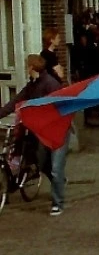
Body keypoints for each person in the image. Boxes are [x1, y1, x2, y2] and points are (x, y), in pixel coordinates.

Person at [0, 54, 68, 216]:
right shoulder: (32, 85)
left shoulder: (51, 84)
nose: (26, 68)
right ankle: (58, 182)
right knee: (42, 162)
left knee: (56, 168)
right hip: (43, 132)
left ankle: (58, 203)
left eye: (27, 66)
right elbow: (15, 101)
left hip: (58, 131)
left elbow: (59, 107)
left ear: (31, 68)